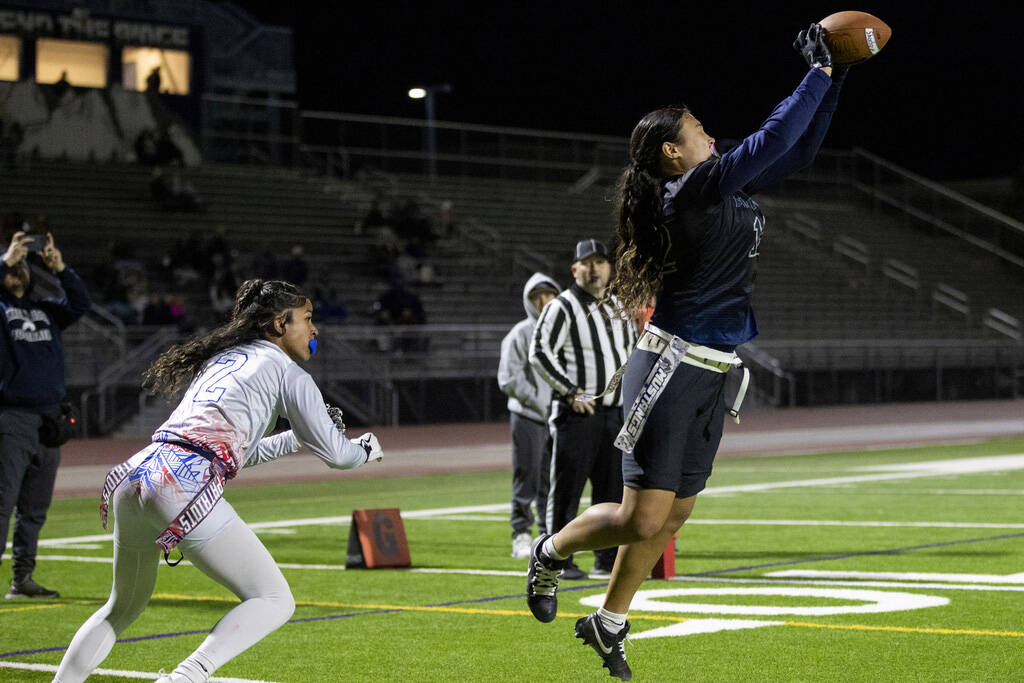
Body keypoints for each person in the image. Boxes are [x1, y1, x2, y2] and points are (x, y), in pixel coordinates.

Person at [525, 24, 847, 680]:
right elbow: (775, 137)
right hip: (671, 362)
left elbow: (800, 149)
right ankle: (550, 549)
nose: (712, 135)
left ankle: (608, 620)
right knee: (641, 513)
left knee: (674, 515)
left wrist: (838, 75)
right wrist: (813, 75)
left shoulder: (717, 187)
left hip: (713, 369)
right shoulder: (691, 190)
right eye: (699, 129)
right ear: (673, 152)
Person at [52, 279, 385, 683]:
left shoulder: (225, 360)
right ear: (280, 324)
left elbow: (233, 454)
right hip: (179, 486)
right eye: (308, 319)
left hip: (136, 474)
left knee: (119, 608)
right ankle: (181, 679)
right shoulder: (288, 373)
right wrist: (365, 449)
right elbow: (337, 455)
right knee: (274, 600)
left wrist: (296, 437)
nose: (315, 330)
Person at [529, 239, 637, 580]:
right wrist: (570, 391)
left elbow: (630, 353)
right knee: (567, 490)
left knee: (613, 491)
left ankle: (606, 559)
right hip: (578, 415)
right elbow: (540, 352)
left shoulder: (617, 305)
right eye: (587, 263)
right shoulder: (562, 307)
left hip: (615, 414)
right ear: (575, 269)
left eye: (600, 262)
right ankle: (557, 560)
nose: (594, 268)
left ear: (609, 267)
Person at [1, 230, 91, 598]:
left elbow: (80, 304)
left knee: (34, 509)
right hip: (12, 418)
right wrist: (3, 261)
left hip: (49, 422)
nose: (19, 270)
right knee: (2, 503)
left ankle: (22, 578)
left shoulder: (46, 309)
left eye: (23, 265)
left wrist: (60, 268)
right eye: (13, 265)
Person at [497, 272, 561, 559]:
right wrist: (540, 404)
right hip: (529, 417)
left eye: (549, 295)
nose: (544, 301)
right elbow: (509, 378)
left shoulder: (561, 331)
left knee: (551, 478)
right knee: (528, 476)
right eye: (538, 297)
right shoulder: (520, 334)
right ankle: (520, 533)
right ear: (529, 301)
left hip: (555, 417)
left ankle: (547, 533)